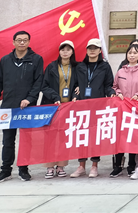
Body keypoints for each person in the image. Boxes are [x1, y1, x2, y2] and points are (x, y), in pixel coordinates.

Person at [0, 31, 44, 183]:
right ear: (13, 42)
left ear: (29, 42)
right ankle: (6, 170)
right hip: (8, 107)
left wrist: (29, 99)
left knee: (26, 140)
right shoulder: (5, 60)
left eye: (25, 40)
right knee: (7, 141)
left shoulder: (36, 59)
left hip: (27, 107)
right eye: (19, 40)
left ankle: (23, 169)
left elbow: (38, 82)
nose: (22, 43)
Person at [70, 38, 115, 178]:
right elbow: (75, 84)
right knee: (82, 135)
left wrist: (111, 94)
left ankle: (94, 165)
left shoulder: (105, 67)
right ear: (87, 50)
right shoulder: (80, 66)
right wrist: (74, 95)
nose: (92, 50)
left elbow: (108, 85)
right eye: (90, 48)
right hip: (82, 106)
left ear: (100, 50)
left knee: (95, 136)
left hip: (98, 106)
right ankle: (81, 165)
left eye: (95, 48)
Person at [40, 40, 78, 178]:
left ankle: (61, 166)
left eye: (68, 49)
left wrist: (76, 93)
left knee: (64, 137)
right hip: (52, 106)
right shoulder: (51, 67)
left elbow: (79, 84)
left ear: (72, 52)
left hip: (68, 107)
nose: (65, 52)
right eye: (63, 49)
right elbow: (44, 86)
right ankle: (50, 167)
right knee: (50, 137)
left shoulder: (77, 67)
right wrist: (55, 96)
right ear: (59, 51)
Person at [111, 44, 138, 178]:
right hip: (121, 109)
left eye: (135, 53)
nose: (132, 55)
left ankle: (131, 165)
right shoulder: (121, 71)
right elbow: (114, 86)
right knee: (120, 137)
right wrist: (118, 92)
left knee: (133, 136)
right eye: (130, 53)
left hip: (136, 109)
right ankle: (118, 166)